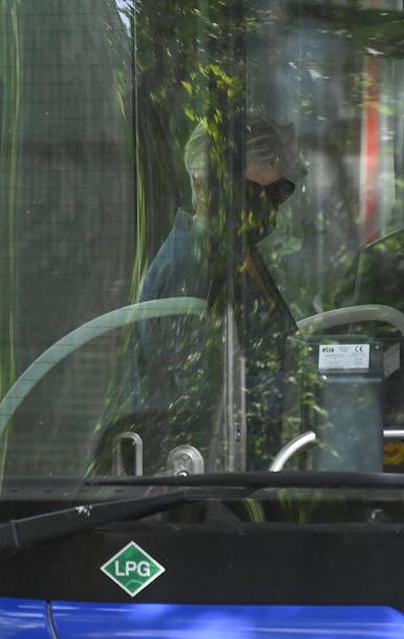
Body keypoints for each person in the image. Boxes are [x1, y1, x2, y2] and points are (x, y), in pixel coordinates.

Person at [123, 112, 299, 470]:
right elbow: (198, 404)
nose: (264, 207)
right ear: (202, 186)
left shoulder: (238, 252)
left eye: (276, 192)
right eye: (250, 192)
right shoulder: (190, 267)